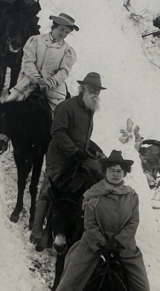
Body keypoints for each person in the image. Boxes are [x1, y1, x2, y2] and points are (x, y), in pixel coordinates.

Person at [43, 150, 154, 291]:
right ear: (105, 172)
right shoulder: (93, 195)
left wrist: (118, 241)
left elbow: (132, 223)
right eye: (112, 170)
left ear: (124, 173)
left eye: (119, 170)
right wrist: (101, 243)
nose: (116, 174)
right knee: (73, 274)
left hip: (122, 245)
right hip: (94, 243)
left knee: (139, 278)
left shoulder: (132, 196)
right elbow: (90, 223)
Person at [28, 72, 105, 247]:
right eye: (92, 88)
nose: (95, 93)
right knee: (49, 192)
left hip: (79, 158)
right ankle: (37, 232)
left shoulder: (89, 108)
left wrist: (86, 155)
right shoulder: (67, 106)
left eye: (98, 90)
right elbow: (57, 132)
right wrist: (74, 151)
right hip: (60, 158)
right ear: (82, 88)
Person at [2, 13, 78, 110]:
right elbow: (28, 62)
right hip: (29, 82)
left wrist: (50, 82)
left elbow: (64, 71)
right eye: (61, 29)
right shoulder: (36, 40)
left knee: (58, 114)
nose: (63, 34)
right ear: (54, 26)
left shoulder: (67, 50)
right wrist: (37, 79)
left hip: (53, 88)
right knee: (9, 107)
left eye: (67, 32)